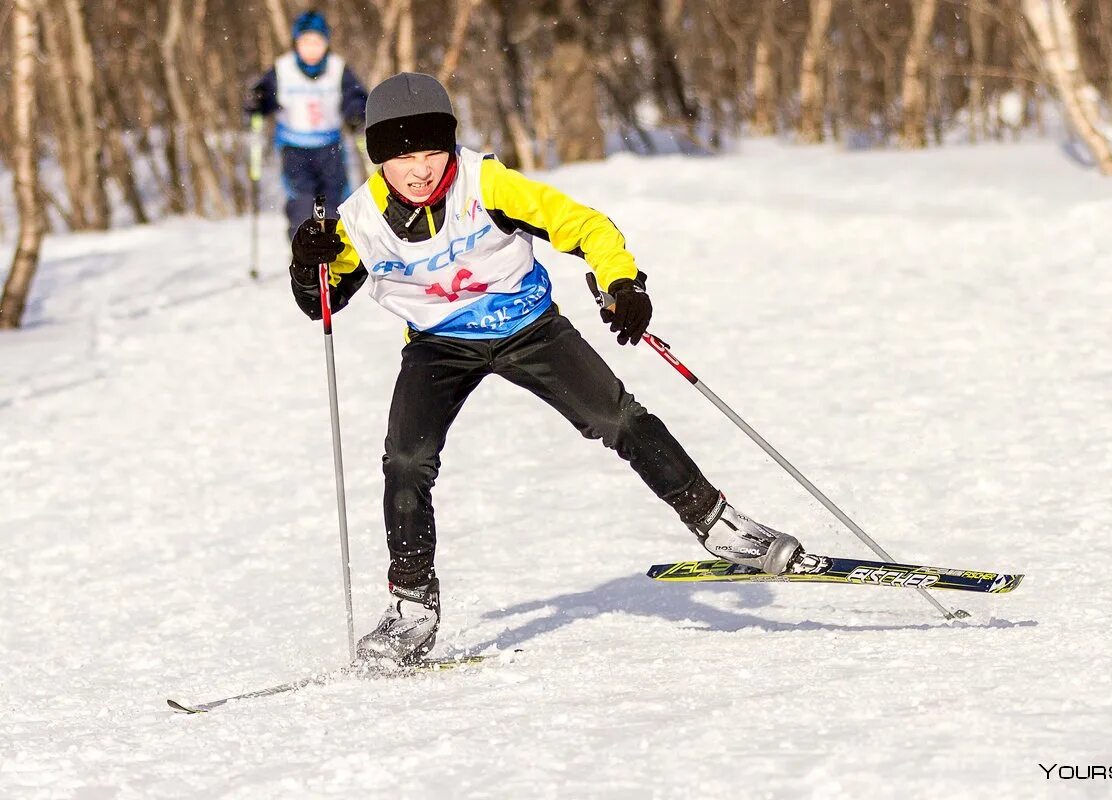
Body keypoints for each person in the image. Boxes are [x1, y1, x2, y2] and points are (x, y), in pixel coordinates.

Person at [287, 73, 806, 664]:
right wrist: (309, 263)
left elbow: (583, 225)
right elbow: (318, 303)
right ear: (378, 159)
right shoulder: (358, 221)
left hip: (528, 325)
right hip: (439, 344)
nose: (422, 170)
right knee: (406, 460)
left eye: (433, 151)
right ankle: (412, 608)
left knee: (619, 419)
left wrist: (622, 284)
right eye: (403, 156)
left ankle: (720, 527)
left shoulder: (486, 183)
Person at [245, 10, 368, 233]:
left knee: (335, 204)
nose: (311, 49)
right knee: (302, 204)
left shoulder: (337, 68)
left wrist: (356, 113)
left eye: (317, 42)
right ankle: (302, 255)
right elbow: (263, 96)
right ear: (296, 44)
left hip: (330, 147)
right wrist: (258, 101)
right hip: (294, 149)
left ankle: (337, 255)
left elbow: (354, 96)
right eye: (305, 42)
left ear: (326, 43)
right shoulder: (282, 69)